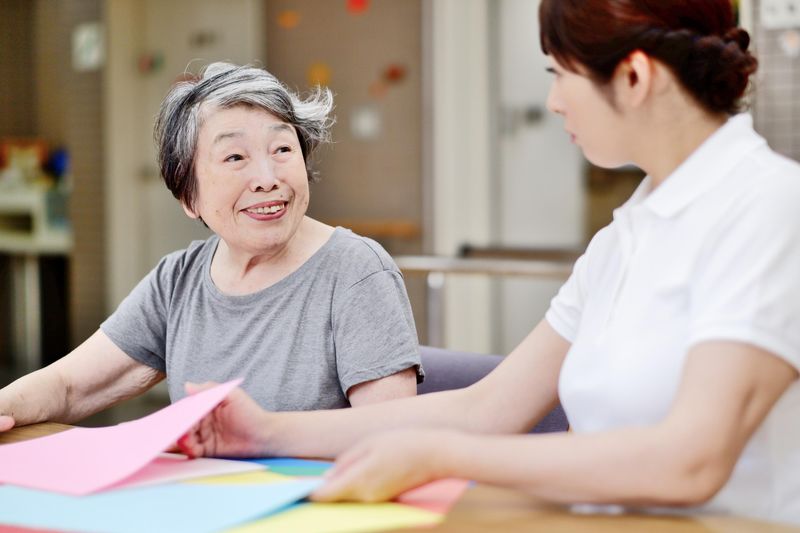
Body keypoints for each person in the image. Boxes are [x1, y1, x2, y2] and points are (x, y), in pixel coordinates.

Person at [175, 0, 800, 525]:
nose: (553, 101)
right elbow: (488, 408)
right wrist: (262, 433)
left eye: (561, 73)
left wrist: (442, 457)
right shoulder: (628, 235)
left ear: (634, 78)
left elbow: (690, 460)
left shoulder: (768, 206)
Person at [0, 62, 423, 430]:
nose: (266, 177)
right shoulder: (177, 280)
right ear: (189, 196)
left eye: (282, 149)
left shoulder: (357, 271)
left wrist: (263, 436)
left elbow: (390, 436)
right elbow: (69, 386)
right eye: (235, 158)